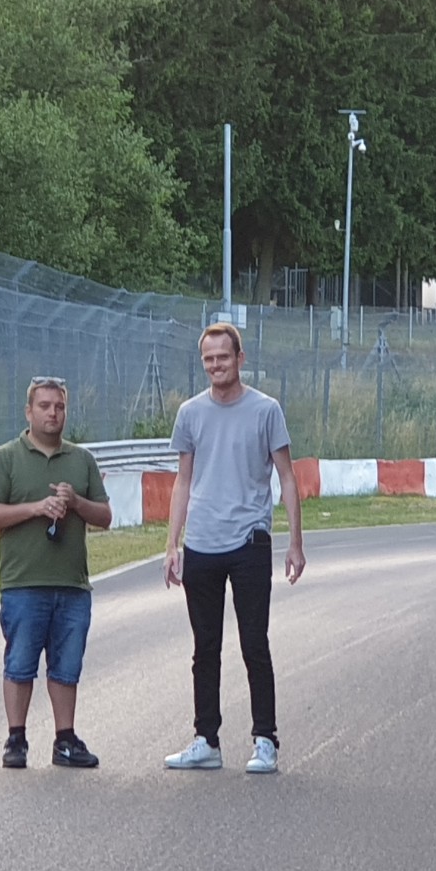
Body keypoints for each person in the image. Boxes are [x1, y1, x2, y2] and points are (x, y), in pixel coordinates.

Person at [163, 322, 306, 775]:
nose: (215, 365)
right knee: (204, 648)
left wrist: (295, 543)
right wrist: (172, 544)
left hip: (249, 541)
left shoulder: (266, 410)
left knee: (253, 643)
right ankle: (206, 740)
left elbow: (287, 477)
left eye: (223, 357)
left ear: (240, 359)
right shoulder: (190, 413)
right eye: (208, 359)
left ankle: (265, 739)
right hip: (201, 543)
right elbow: (183, 481)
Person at [0, 376, 113, 769]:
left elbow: (105, 516)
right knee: (20, 663)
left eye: (59, 407)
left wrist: (76, 502)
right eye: (44, 406)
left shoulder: (82, 460)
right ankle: (16, 739)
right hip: (23, 582)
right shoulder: (6, 458)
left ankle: (65, 739)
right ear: (29, 411)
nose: (53, 413)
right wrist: (36, 508)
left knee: (66, 666)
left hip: (72, 583)